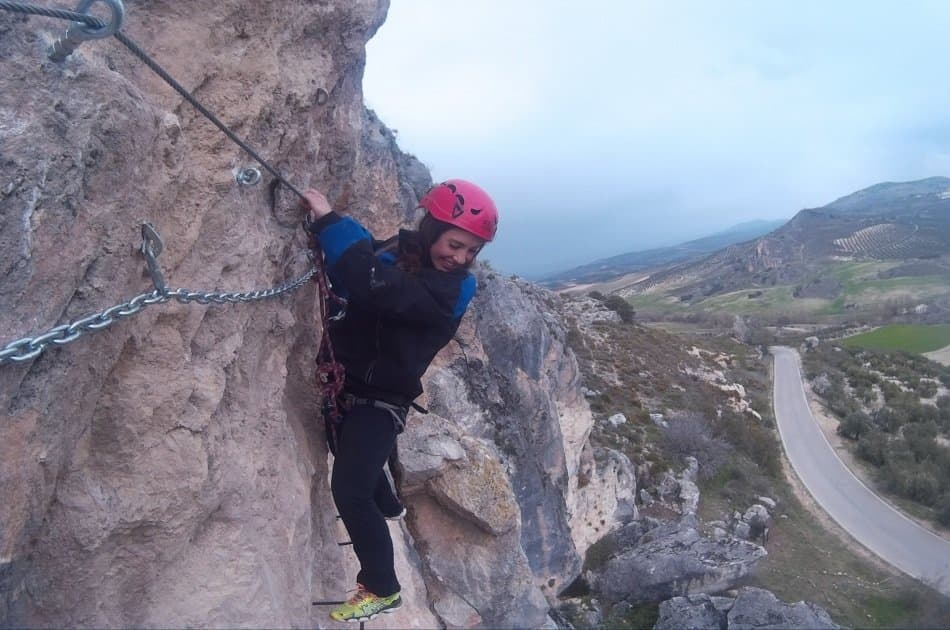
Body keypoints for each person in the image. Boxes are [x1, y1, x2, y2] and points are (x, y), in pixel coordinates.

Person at [302, 180, 499, 623]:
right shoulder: (405, 252)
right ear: (431, 230)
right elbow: (372, 255)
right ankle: (389, 505)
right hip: (355, 383)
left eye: (471, 251)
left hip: (382, 397)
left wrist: (330, 224)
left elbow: (372, 283)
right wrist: (338, 223)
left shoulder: (451, 290)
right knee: (343, 446)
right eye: (455, 244)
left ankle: (382, 586)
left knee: (349, 489)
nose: (461, 258)